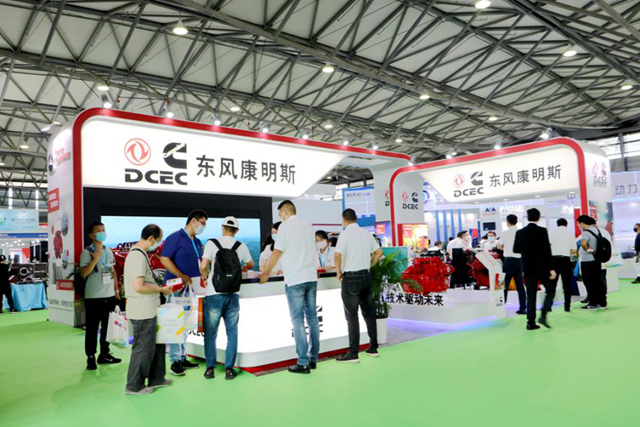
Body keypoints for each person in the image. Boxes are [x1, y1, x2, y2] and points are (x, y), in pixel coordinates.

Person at [259, 200, 319, 374]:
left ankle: (302, 362)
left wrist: (266, 273)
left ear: (285, 212)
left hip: (295, 279)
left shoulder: (285, 227)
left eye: (280, 214)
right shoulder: (308, 226)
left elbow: (277, 252)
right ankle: (313, 359)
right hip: (311, 277)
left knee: (298, 320)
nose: (280, 218)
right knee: (312, 319)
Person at [200, 217, 254, 381]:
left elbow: (203, 266)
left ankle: (210, 369)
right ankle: (229, 369)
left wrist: (205, 276)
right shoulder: (241, 246)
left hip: (214, 293)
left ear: (223, 228)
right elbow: (251, 264)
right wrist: (241, 268)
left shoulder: (212, 244)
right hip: (233, 294)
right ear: (236, 230)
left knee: (211, 333)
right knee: (232, 333)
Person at [124, 224, 173, 395]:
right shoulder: (137, 256)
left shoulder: (141, 254)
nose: (158, 244)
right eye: (158, 240)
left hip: (150, 308)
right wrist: (160, 289)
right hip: (142, 310)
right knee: (143, 347)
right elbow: (138, 286)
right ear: (151, 239)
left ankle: (157, 377)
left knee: (156, 345)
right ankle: (134, 385)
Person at [160, 210, 207, 376]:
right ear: (193, 221)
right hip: (176, 289)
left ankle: (181, 356)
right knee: (175, 324)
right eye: (202, 223)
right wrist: (181, 275)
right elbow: (164, 259)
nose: (203, 227)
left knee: (187, 324)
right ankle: (174, 361)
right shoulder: (175, 238)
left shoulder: (197, 241)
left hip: (191, 289)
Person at [334, 209, 383, 363]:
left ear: (344, 219)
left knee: (352, 316)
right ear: (356, 218)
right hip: (366, 276)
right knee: (369, 313)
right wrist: (369, 265)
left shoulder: (345, 234)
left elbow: (337, 255)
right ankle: (373, 348)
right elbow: (379, 252)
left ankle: (353, 353)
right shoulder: (366, 233)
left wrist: (338, 271)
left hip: (351, 278)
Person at [79, 222, 121, 370]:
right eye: (98, 230)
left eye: (103, 230)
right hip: (93, 296)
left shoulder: (108, 250)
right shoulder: (87, 252)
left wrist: (116, 290)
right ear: (92, 235)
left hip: (109, 295)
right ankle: (90, 356)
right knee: (92, 328)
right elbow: (83, 273)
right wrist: (95, 259)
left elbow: (112, 270)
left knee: (107, 327)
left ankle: (104, 354)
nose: (102, 232)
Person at [513, 208, 557, 330]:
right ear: (538, 218)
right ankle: (543, 314)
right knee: (550, 290)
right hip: (542, 267)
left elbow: (516, 249)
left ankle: (530, 322)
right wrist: (551, 268)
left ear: (527, 217)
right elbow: (547, 250)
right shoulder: (542, 231)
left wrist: (527, 250)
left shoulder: (520, 232)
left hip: (527, 267)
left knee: (531, 295)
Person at [497, 214, 526, 315]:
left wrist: (506, 248)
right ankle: (523, 308)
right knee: (520, 286)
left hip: (509, 261)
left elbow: (499, 246)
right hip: (519, 261)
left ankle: (501, 307)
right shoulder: (522, 232)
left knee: (503, 284)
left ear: (507, 222)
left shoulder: (505, 233)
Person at [577, 215, 606, 310]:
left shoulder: (586, 232)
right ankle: (602, 302)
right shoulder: (596, 230)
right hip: (596, 260)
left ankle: (593, 303)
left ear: (582, 223)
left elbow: (583, 244)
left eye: (579, 223)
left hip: (587, 260)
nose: (578, 225)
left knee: (589, 282)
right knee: (597, 281)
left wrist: (590, 251)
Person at [549, 218, 578, 312]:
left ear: (557, 224)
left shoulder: (551, 233)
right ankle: (567, 306)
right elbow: (574, 250)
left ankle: (548, 305)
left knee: (552, 284)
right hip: (566, 260)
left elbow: (548, 246)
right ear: (566, 224)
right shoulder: (570, 234)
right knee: (567, 285)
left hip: (553, 260)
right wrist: (573, 264)